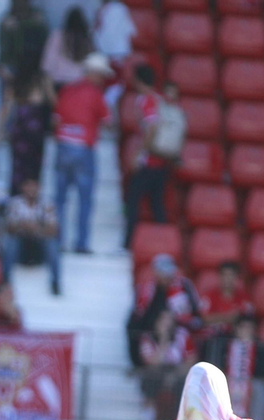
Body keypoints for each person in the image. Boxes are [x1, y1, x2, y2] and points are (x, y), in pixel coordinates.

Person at [53, 54, 111, 255]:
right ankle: (81, 243)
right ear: (93, 73)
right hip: (84, 148)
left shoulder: (67, 90)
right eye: (101, 75)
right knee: (84, 199)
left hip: (63, 145)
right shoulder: (96, 94)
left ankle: (57, 241)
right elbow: (108, 120)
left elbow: (56, 118)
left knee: (60, 198)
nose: (103, 79)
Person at [124, 72, 184, 247]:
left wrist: (138, 155)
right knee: (157, 204)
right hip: (163, 161)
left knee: (133, 200)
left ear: (139, 82)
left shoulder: (147, 100)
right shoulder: (160, 100)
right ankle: (163, 243)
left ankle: (128, 243)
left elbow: (151, 128)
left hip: (150, 161)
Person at [129, 254, 201, 365]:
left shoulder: (184, 285)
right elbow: (139, 312)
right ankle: (138, 364)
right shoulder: (146, 288)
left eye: (168, 273)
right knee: (131, 326)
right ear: (156, 272)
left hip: (180, 325)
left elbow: (195, 309)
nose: (166, 277)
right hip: (152, 327)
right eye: (163, 273)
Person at [2, 177, 60, 295]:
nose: (31, 189)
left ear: (39, 188)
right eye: (28, 186)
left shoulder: (46, 204)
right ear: (23, 188)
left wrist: (36, 228)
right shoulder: (15, 203)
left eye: (34, 186)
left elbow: (54, 229)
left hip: (38, 245)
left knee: (52, 244)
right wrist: (23, 226)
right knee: (10, 243)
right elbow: (8, 227)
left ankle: (55, 282)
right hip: (22, 244)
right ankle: (5, 281)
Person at [0, 73, 53, 197]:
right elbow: (5, 111)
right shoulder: (17, 95)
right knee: (19, 173)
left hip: (35, 141)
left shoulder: (42, 94)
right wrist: (0, 133)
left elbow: (54, 105)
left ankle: (31, 204)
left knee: (33, 174)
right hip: (21, 141)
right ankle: (17, 202)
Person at [0, 0, 49, 87]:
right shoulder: (6, 20)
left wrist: (20, 24)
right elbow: (4, 49)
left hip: (35, 64)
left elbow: (45, 42)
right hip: (15, 65)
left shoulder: (37, 15)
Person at [42, 6, 94, 90]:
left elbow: (47, 65)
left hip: (59, 85)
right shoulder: (87, 39)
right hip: (80, 86)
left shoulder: (56, 36)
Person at [200, 261, 254, 335]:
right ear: (219, 276)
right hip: (213, 338)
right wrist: (227, 318)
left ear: (237, 277)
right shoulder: (209, 295)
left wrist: (216, 318)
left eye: (231, 275)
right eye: (224, 275)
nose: (227, 279)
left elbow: (249, 319)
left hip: (235, 338)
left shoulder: (244, 298)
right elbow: (202, 318)